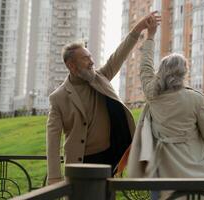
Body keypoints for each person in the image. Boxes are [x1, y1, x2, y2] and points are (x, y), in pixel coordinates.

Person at [127, 13, 204, 199]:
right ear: (184, 72)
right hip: (197, 167)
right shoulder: (196, 99)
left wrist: (151, 36)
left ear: (160, 73)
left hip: (164, 168)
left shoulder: (152, 95)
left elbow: (145, 67)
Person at [46, 11, 159, 185]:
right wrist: (54, 177)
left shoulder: (100, 77)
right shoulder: (58, 98)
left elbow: (118, 56)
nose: (91, 62)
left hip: (108, 159)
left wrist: (138, 29)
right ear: (71, 66)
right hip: (79, 164)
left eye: (91, 57)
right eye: (85, 59)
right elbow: (53, 141)